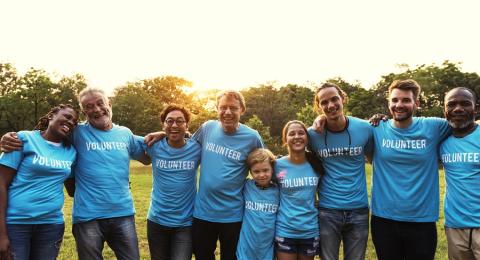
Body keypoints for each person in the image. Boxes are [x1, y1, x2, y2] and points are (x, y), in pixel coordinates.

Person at [0, 87, 150, 260]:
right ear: (85, 112)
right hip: (87, 218)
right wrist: (7, 137)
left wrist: (163, 134)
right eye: (89, 106)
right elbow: (45, 136)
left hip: (121, 213)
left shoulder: (125, 134)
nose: (96, 109)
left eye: (100, 103)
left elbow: (148, 153)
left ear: (109, 102)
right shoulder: (77, 133)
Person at [370, 79, 450, 260]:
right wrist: (320, 118)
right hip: (384, 219)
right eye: (395, 100)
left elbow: (467, 123)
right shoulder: (376, 128)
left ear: (417, 103)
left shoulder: (434, 126)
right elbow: (346, 125)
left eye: (406, 100)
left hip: (422, 220)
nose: (399, 105)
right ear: (388, 103)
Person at [188, 90, 263, 260]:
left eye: (233, 108)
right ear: (217, 109)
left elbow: (264, 164)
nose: (227, 112)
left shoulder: (252, 137)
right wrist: (163, 133)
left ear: (242, 110)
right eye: (223, 107)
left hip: (233, 215)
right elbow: (186, 146)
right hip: (203, 213)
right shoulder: (207, 128)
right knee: (202, 256)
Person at [0, 104, 78, 260]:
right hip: (16, 223)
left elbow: (73, 190)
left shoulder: (71, 152)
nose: (71, 122)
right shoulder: (23, 139)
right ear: (51, 116)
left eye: (75, 122)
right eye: (67, 117)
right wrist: (1, 235)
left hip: (51, 225)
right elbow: (1, 184)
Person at [308, 83, 372, 260]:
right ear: (318, 106)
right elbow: (294, 152)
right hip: (328, 211)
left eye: (334, 99)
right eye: (324, 102)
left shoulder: (364, 128)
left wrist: (380, 118)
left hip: (358, 210)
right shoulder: (312, 135)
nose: (330, 105)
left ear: (343, 98)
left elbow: (376, 159)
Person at [143, 105, 201, 260]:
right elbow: (129, 143)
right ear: (163, 125)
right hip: (157, 221)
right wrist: (161, 134)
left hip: (185, 223)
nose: (174, 125)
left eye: (179, 121)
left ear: (186, 125)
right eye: (169, 121)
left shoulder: (197, 148)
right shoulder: (153, 146)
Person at [439, 87, 480, 260]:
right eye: (452, 104)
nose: (458, 109)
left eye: (465, 104)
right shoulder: (440, 140)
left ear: (475, 109)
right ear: (445, 110)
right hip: (455, 226)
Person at [275, 120, 323, 260]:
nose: (297, 136)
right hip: (285, 230)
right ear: (285, 139)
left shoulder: (316, 164)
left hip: (310, 230)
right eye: (292, 134)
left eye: (301, 133)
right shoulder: (276, 165)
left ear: (307, 138)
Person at [236, 148, 279, 260]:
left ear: (272, 170)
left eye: (266, 170)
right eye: (256, 171)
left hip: (267, 249)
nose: (261, 175)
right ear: (250, 172)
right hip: (246, 249)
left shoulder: (278, 190)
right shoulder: (246, 186)